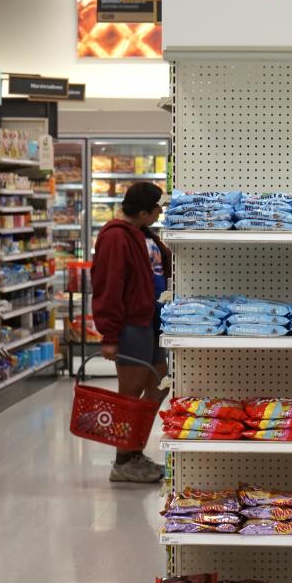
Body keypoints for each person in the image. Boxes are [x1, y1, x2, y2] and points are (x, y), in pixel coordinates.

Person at [91, 181, 172, 483]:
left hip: (153, 320)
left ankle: (135, 449)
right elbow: (108, 287)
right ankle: (122, 461)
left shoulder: (144, 234)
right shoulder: (115, 237)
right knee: (130, 395)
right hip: (131, 325)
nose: (160, 213)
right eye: (157, 209)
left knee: (159, 385)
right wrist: (110, 335)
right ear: (143, 211)